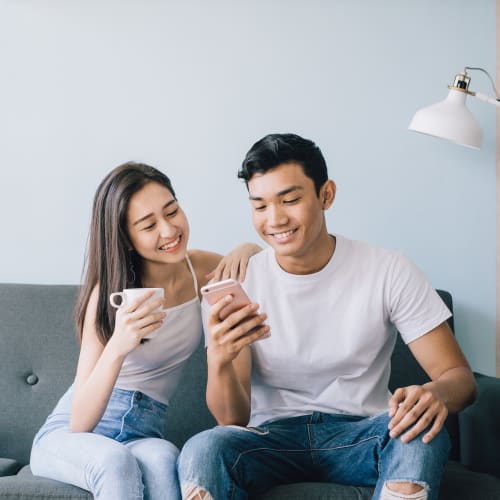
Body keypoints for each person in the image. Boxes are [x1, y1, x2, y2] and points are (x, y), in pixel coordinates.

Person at [177, 133, 477, 500]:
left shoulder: (388, 270)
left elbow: (460, 379)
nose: (275, 219)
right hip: (270, 440)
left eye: (290, 200)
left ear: (326, 195)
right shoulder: (239, 282)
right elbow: (231, 421)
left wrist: (433, 395)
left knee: (420, 432)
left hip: (364, 434)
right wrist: (221, 359)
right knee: (203, 449)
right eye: (260, 206)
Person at [30, 162, 261, 500]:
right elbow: (80, 422)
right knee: (114, 461)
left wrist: (246, 249)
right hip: (71, 435)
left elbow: (256, 261)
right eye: (148, 225)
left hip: (144, 430)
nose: (169, 231)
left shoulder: (202, 269)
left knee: (166, 458)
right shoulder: (107, 293)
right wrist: (119, 346)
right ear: (125, 237)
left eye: (172, 211)